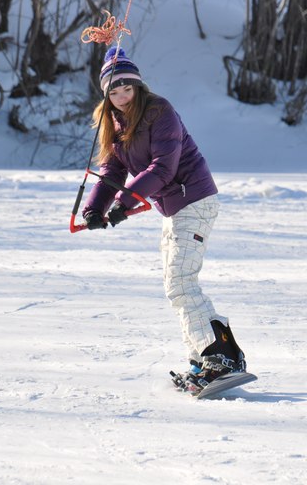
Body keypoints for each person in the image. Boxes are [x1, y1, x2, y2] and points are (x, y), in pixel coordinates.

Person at [82, 46, 247, 393]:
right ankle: (203, 358)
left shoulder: (160, 111)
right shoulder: (113, 121)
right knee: (176, 286)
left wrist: (125, 203)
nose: (122, 95)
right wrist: (94, 208)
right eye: (114, 91)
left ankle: (223, 356)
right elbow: (112, 169)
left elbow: (163, 167)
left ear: (138, 85)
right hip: (173, 208)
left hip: (195, 200)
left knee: (181, 282)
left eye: (127, 88)